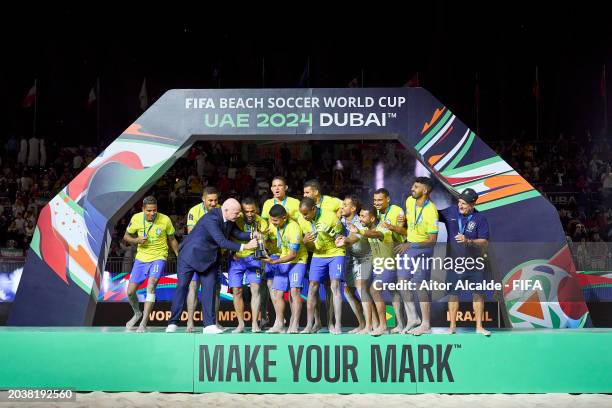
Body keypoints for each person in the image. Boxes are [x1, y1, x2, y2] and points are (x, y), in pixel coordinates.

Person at [166, 199, 258, 334]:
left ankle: (208, 325)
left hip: (209, 259)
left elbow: (237, 233)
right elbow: (221, 241)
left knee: (210, 290)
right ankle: (173, 322)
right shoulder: (212, 218)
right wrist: (245, 246)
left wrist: (251, 234)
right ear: (226, 211)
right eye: (236, 213)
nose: (239, 215)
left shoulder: (230, 219)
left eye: (239, 213)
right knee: (182, 287)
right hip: (190, 256)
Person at [123, 196, 179, 332]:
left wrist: (179, 255)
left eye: (154, 210)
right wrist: (136, 240)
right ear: (143, 209)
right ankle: (137, 313)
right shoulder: (136, 218)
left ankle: (143, 322)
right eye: (148, 211)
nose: (152, 213)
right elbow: (126, 236)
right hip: (141, 258)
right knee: (130, 292)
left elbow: (172, 239)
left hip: (159, 256)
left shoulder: (165, 220)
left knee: (152, 284)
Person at [440, 188, 490, 336]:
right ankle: (452, 326)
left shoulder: (480, 218)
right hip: (454, 262)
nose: (460, 206)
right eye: (459, 202)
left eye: (464, 203)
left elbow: (484, 242)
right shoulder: (451, 211)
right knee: (453, 294)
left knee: (478, 293)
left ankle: (479, 327)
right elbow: (433, 214)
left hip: (474, 263)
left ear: (473, 204)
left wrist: (468, 241)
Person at [394, 177, 439, 335]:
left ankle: (426, 324)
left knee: (420, 285)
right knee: (401, 281)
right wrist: (403, 221)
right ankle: (413, 317)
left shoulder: (431, 210)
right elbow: (409, 222)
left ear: (425, 191)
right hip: (410, 246)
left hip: (423, 249)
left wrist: (411, 245)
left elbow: (432, 241)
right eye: (413, 185)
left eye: (416, 187)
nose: (412, 188)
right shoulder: (409, 201)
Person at [298, 197, 345, 334]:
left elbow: (342, 237)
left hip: (335, 253)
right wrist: (306, 242)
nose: (304, 217)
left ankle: (337, 325)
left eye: (306, 213)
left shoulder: (329, 216)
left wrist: (331, 232)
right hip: (318, 255)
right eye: (302, 214)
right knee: (312, 287)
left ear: (314, 209)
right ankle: (309, 325)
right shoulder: (303, 220)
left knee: (334, 286)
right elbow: (311, 246)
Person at [263, 204, 308, 333]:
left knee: (294, 292)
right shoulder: (273, 224)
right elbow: (266, 238)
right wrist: (260, 237)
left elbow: (293, 254)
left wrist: (275, 261)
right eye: (271, 220)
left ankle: (294, 324)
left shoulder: (294, 229)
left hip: (297, 261)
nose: (273, 223)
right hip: (283, 259)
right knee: (277, 293)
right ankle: (279, 324)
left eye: (275, 220)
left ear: (284, 217)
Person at [228, 197, 268, 333]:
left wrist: (262, 242)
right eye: (247, 211)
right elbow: (226, 237)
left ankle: (255, 324)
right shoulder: (235, 219)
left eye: (252, 211)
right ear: (242, 211)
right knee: (236, 291)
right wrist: (230, 252)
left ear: (256, 210)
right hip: (237, 259)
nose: (250, 214)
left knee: (255, 289)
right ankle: (240, 324)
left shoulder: (262, 222)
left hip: (254, 259)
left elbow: (264, 245)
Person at [185, 187, 221, 332]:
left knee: (215, 289)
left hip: (213, 256)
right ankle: (190, 322)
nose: (213, 203)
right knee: (193, 287)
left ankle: (215, 322)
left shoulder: (221, 210)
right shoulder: (194, 211)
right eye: (210, 200)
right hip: (195, 256)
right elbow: (191, 233)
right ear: (203, 199)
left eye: (215, 200)